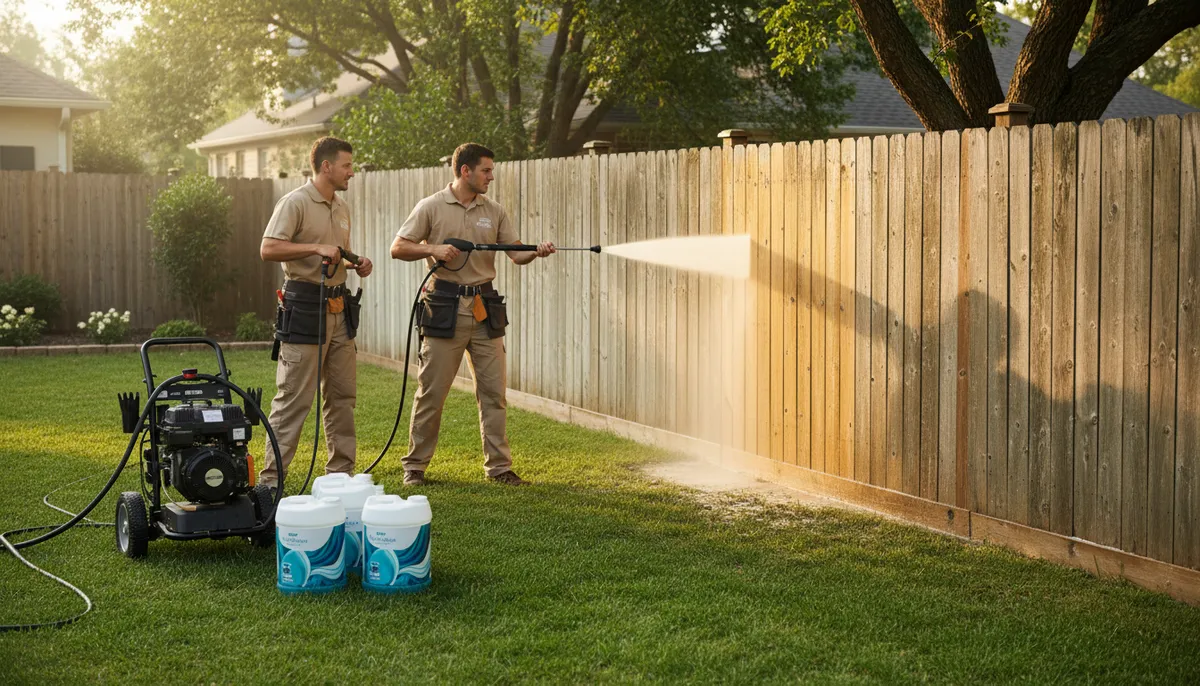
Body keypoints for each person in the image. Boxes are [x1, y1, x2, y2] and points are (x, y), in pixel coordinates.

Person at [390, 142, 554, 486]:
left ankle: (499, 468)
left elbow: (515, 254)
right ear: (465, 171)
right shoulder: (432, 206)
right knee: (432, 393)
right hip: (444, 308)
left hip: (485, 309)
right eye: (486, 170)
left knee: (494, 394)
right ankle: (415, 467)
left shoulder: (494, 210)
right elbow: (398, 247)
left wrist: (536, 252)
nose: (491, 176)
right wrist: (433, 249)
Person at [258, 136, 373, 489]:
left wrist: (357, 262)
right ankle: (270, 484)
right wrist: (315, 247)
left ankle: (340, 478)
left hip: (340, 310)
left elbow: (337, 252)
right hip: (305, 308)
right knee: (294, 398)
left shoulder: (341, 207)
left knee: (342, 397)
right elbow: (268, 248)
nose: (351, 173)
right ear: (326, 167)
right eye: (347, 166)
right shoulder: (295, 202)